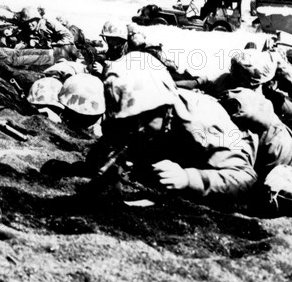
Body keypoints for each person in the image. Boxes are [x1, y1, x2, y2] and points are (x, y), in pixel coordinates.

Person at [85, 52, 258, 198]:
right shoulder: (139, 114)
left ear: (165, 107)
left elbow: (245, 177)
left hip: (260, 159)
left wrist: (188, 178)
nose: (137, 128)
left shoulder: (201, 121)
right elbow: (109, 146)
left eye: (145, 116)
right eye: (130, 119)